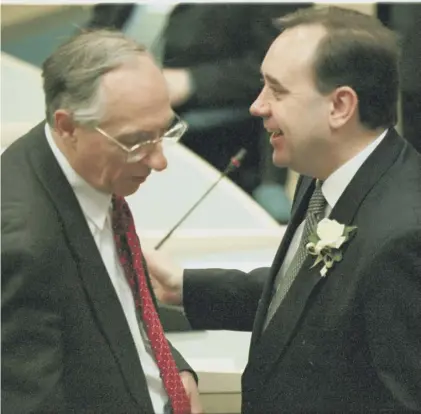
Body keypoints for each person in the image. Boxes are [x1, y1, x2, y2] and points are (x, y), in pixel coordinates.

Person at [144, 6, 421, 413]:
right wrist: (181, 287)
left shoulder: (404, 239)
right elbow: (311, 299)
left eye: (277, 90)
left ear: (340, 106)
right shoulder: (319, 175)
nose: (257, 106)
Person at [1, 29, 202, 414]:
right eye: (138, 141)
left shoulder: (76, 168)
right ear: (68, 126)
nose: (159, 161)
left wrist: (173, 368)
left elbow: (124, 303)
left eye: (165, 132)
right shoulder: (23, 245)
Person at [86, 3, 314, 221]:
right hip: (110, 127)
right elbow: (89, 42)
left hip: (212, 139)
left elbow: (286, 66)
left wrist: (189, 82)